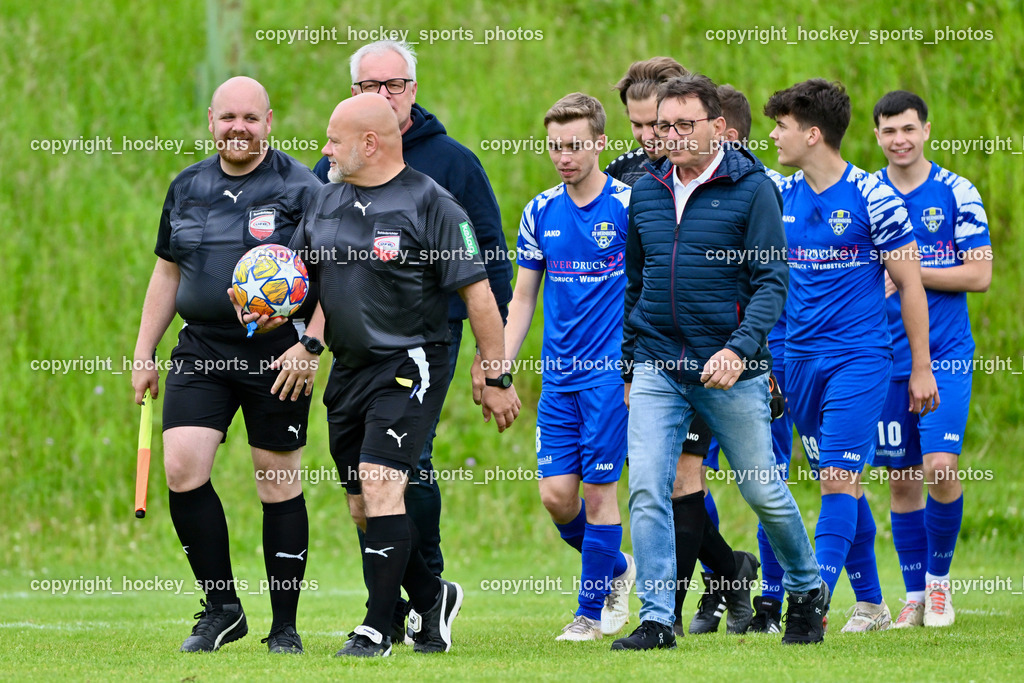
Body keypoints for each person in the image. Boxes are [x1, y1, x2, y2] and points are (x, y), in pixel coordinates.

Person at [289, 93, 519, 657]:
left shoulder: (433, 204)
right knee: (361, 505)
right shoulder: (324, 202)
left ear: (370, 143)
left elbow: (480, 295)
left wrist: (497, 375)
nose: (324, 150)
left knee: (381, 481)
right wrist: (273, 304)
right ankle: (430, 596)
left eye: (333, 139)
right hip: (349, 368)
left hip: (410, 362)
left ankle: (376, 626)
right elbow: (299, 278)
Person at [613, 74, 827, 650]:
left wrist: (738, 349)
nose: (673, 135)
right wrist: (631, 366)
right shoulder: (647, 190)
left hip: (732, 369)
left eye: (686, 124)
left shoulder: (754, 188)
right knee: (648, 489)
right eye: (664, 125)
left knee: (763, 490)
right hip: (659, 363)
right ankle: (658, 618)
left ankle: (806, 591)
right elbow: (637, 284)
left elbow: (770, 281)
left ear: (716, 127)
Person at [131, 76, 322, 654]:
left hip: (278, 354)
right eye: (228, 117)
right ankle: (222, 607)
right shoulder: (187, 186)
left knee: (275, 480)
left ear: (270, 121)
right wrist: (144, 352)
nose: (238, 128)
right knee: (182, 468)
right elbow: (167, 272)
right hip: (202, 348)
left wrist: (310, 344)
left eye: (251, 118)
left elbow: (336, 276)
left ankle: (284, 626)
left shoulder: (302, 187)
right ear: (211, 119)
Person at [763, 78, 940, 632]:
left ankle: (812, 601)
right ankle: (872, 604)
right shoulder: (780, 194)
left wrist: (921, 365)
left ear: (813, 134)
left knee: (838, 476)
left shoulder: (874, 196)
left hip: (860, 359)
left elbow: (910, 285)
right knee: (842, 482)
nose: (774, 135)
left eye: (783, 126)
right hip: (798, 363)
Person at [606, 59, 758, 638]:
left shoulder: (733, 176)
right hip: (649, 347)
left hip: (714, 353)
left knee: (682, 480)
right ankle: (728, 570)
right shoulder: (627, 176)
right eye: (638, 125)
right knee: (661, 482)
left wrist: (752, 353)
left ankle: (662, 611)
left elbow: (763, 274)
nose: (649, 137)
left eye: (658, 123)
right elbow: (636, 274)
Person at [500, 92, 635, 641]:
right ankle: (619, 570)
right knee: (558, 497)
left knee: (601, 493)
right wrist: (498, 365)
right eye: (555, 146)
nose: (564, 155)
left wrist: (633, 367)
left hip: (608, 374)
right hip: (558, 377)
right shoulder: (540, 211)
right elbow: (523, 298)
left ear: (600, 143)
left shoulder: (630, 207)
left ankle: (587, 613)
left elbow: (648, 290)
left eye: (575, 145)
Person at [870, 90, 992, 628]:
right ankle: (913, 595)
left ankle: (940, 586)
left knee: (940, 468)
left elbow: (979, 274)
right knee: (901, 481)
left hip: (944, 355)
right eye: (889, 131)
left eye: (909, 129)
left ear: (926, 131)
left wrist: (906, 273)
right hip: (880, 358)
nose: (900, 140)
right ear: (876, 135)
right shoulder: (865, 195)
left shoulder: (957, 192)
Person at [717, 83, 794, 634]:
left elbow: (774, 282)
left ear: (728, 134)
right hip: (702, 360)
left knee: (768, 481)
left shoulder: (765, 190)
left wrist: (761, 357)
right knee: (681, 479)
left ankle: (775, 597)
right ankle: (722, 583)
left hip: (765, 358)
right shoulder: (679, 189)